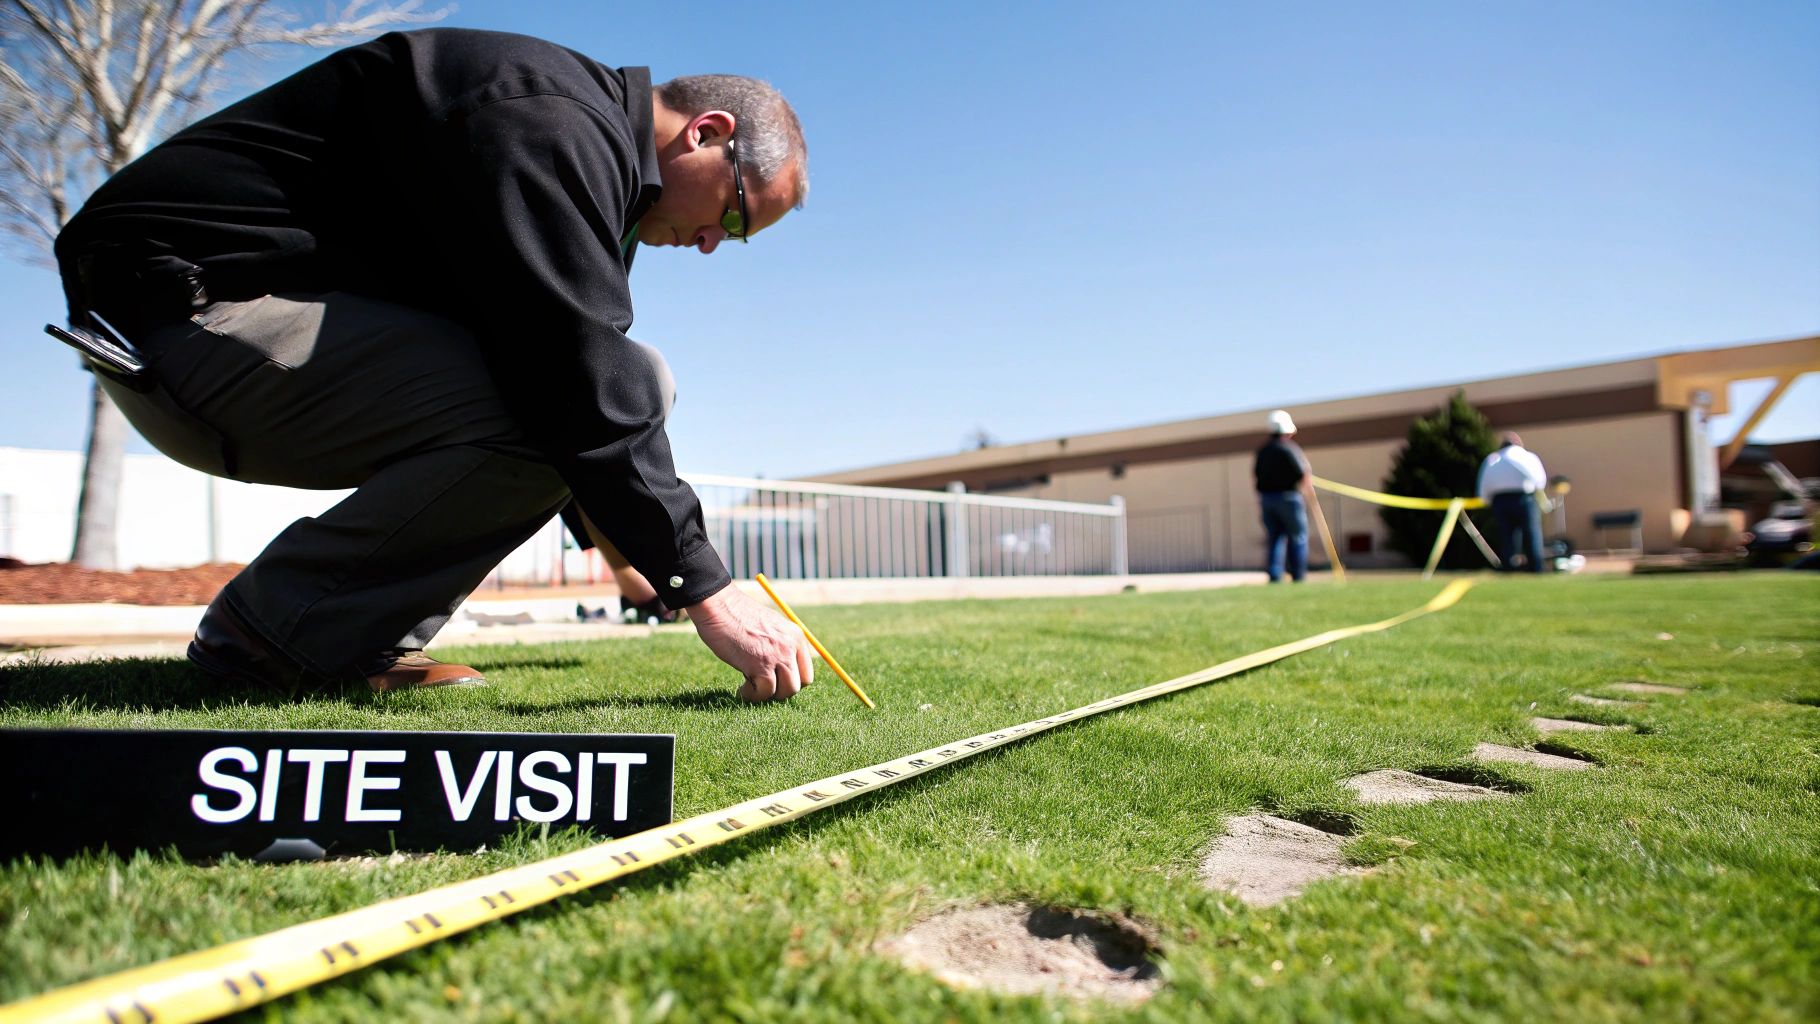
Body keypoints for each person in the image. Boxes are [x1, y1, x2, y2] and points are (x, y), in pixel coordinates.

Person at [52, 28, 816, 700]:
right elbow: (572, 376)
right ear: (707, 133)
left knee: (627, 378)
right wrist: (706, 590)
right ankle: (277, 633)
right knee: (595, 385)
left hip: (213, 323)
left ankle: (347, 635)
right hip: (182, 317)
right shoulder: (553, 122)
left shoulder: (585, 146)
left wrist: (637, 567)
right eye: (736, 216)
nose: (715, 243)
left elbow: (580, 373)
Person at [1253, 410, 1315, 583]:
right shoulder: (1290, 448)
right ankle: (1298, 574)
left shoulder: (1263, 451)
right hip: (1289, 498)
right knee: (1298, 536)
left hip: (1267, 499)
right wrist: (1307, 487)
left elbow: (1256, 476)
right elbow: (1302, 472)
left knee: (1275, 537)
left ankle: (1275, 574)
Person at [1477, 432, 1549, 573]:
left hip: (1500, 501)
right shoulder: (1528, 457)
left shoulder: (1493, 459)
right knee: (1531, 534)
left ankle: (1509, 568)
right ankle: (1537, 568)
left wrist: (1486, 500)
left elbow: (1483, 485)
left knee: (1506, 536)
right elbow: (1540, 481)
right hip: (1525, 498)